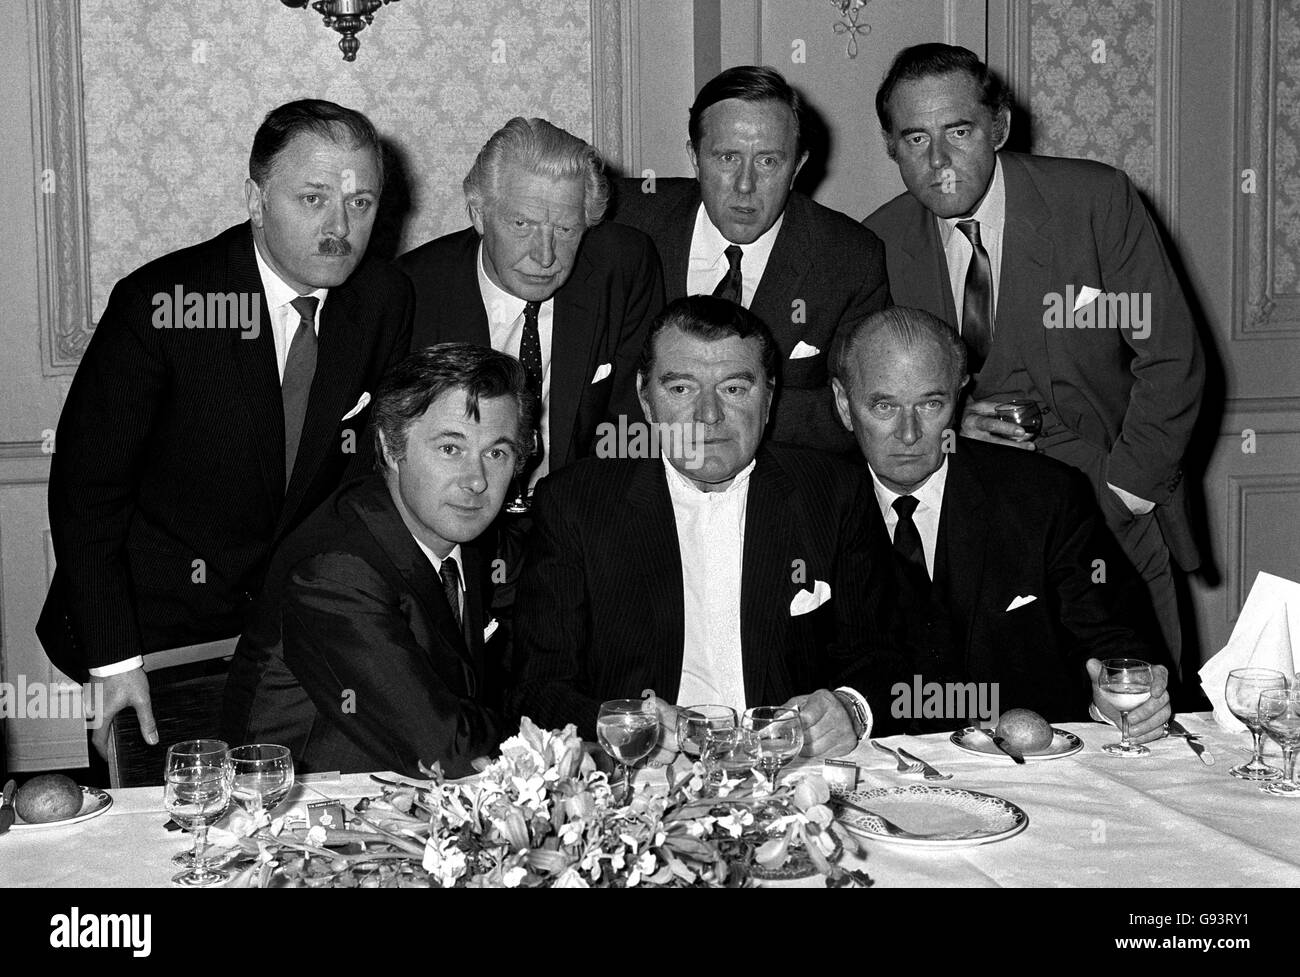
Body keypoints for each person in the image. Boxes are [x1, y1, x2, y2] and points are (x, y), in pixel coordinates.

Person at [36, 99, 413, 758]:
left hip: (288, 635)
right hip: (151, 634)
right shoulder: (163, 304)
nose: (339, 228)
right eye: (313, 198)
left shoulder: (383, 299)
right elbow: (86, 494)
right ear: (256, 198)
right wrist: (115, 662)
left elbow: (366, 483)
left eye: (361, 203)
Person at [863, 43, 1204, 675]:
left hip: (1107, 501)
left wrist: (1124, 492)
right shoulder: (877, 242)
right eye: (914, 139)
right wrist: (951, 421)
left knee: (1143, 707)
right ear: (890, 147)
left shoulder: (1094, 203)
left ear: (999, 126)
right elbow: (873, 393)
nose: (938, 161)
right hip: (968, 520)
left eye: (958, 131)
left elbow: (1171, 359)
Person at [512, 296, 903, 757]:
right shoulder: (576, 503)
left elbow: (889, 653)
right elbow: (536, 689)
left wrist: (851, 708)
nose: (709, 415)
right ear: (645, 398)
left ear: (770, 396)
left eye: (735, 389)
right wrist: (630, 725)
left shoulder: (833, 492)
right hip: (647, 781)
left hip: (798, 773)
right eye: (681, 389)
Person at [831, 306, 1172, 737]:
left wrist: (1121, 701)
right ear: (845, 405)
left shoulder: (1044, 496)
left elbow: (1112, 641)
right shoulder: (808, 507)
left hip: (1028, 767)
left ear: (959, 397)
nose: (910, 433)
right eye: (884, 406)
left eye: (931, 404)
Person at [222, 344, 531, 777]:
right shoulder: (335, 569)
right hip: (303, 818)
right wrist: (551, 737)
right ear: (390, 447)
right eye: (450, 449)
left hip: (413, 805)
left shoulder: (467, 534)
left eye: (496, 453)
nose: (476, 480)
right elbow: (447, 751)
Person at [610, 66, 891, 455]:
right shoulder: (625, 221)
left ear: (798, 166)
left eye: (768, 162)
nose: (745, 185)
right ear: (694, 156)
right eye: (727, 157)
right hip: (632, 469)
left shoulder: (850, 258)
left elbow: (861, 410)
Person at [397, 117, 663, 490]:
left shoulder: (623, 267)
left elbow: (633, 424)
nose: (544, 256)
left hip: (579, 508)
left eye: (566, 230)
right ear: (478, 214)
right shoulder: (411, 293)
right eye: (522, 224)